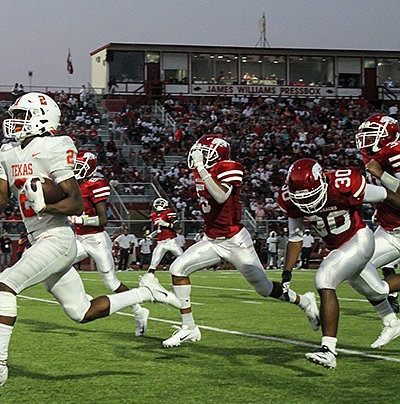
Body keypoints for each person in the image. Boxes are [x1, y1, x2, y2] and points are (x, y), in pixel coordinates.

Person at [0, 92, 180, 386]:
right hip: (39, 239)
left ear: (41, 118)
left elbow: (76, 204)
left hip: (57, 237)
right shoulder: (8, 154)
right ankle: (146, 293)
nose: (14, 122)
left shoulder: (54, 146)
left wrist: (45, 206)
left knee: (6, 283)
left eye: (22, 116)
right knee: (81, 312)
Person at [162, 135, 319, 348]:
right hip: (212, 240)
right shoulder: (202, 170)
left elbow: (220, 197)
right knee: (178, 269)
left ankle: (304, 301)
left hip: (235, 241)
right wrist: (200, 167)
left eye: (205, 153)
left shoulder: (229, 167)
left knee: (263, 289)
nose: (198, 156)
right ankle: (188, 327)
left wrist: (201, 166)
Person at [280, 158, 400, 369]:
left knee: (325, 278)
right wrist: (287, 272)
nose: (308, 203)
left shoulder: (344, 183)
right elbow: (295, 237)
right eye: (302, 198)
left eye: (311, 195)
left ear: (322, 183)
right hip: (339, 247)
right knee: (379, 290)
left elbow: (385, 195)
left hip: (359, 239)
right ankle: (392, 321)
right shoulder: (290, 199)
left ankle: (328, 350)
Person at [69, 151, 151, 336]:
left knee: (111, 283)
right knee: (59, 264)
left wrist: (82, 221)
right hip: (80, 238)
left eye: (79, 166)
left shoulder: (95, 185)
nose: (74, 170)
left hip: (96, 239)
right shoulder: (74, 185)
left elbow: (103, 219)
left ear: (89, 169)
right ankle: (82, 298)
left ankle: (139, 311)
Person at [357, 114, 400, 317]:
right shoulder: (376, 155)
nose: (365, 139)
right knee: (356, 268)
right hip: (390, 230)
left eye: (371, 135)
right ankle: (390, 315)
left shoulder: (395, 151)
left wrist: (381, 174)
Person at [147, 197, 183, 274]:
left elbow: (177, 227)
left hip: (171, 241)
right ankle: (149, 277)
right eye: (158, 204)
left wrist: (166, 224)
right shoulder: (154, 215)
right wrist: (152, 235)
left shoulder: (169, 212)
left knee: (183, 258)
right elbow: (159, 229)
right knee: (153, 263)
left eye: (160, 204)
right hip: (160, 242)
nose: (159, 205)